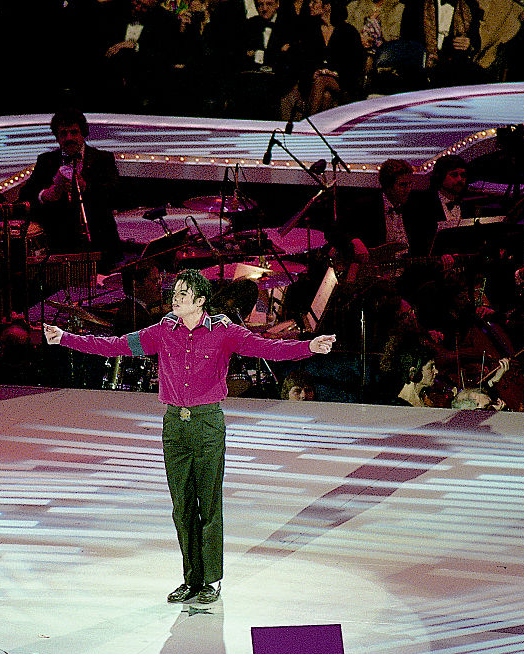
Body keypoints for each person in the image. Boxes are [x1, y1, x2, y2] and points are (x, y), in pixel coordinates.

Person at [43, 269, 335, 604]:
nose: (175, 298)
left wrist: (309, 346)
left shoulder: (224, 332)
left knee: (208, 504)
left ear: (199, 300)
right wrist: (65, 338)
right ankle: (191, 578)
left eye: (183, 293)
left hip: (207, 423)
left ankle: (210, 580)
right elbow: (116, 345)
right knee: (182, 506)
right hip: (174, 426)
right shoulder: (163, 330)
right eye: (176, 292)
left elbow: (267, 348)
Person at [20, 107, 123, 271]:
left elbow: (117, 194)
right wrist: (45, 195)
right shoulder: (46, 161)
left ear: (83, 133)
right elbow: (25, 195)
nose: (69, 138)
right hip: (59, 247)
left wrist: (87, 187)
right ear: (56, 137)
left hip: (100, 244)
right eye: (63, 134)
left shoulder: (103, 159)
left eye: (74, 132)